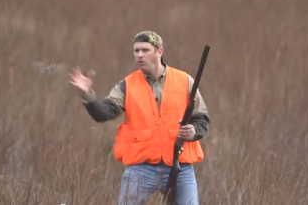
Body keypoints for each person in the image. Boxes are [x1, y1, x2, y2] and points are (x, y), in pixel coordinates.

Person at [70, 31, 210, 205]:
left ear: (160, 52)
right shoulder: (127, 85)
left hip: (181, 166)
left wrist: (193, 131)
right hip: (141, 169)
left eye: (145, 50)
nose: (139, 55)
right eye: (136, 51)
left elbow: (202, 118)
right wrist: (87, 95)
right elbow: (104, 113)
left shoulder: (185, 81)